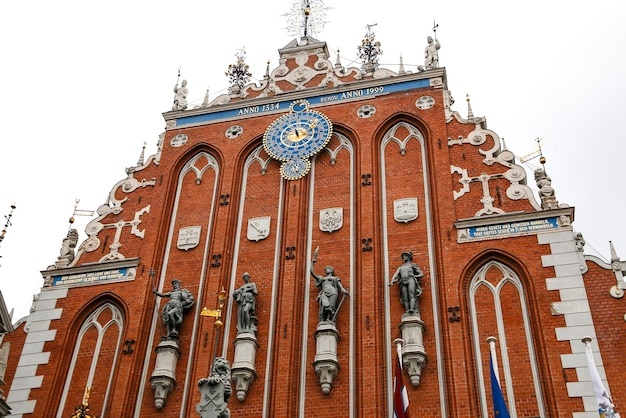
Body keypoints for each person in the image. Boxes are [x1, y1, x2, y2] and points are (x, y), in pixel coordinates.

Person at [310, 249, 349, 323]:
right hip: (324, 293)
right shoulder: (322, 278)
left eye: (329, 268)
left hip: (333, 292)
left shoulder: (335, 278)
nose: (327, 269)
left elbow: (340, 287)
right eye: (326, 269)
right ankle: (323, 320)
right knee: (323, 306)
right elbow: (312, 273)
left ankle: (329, 320)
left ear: (332, 270)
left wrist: (343, 290)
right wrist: (312, 262)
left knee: (331, 307)